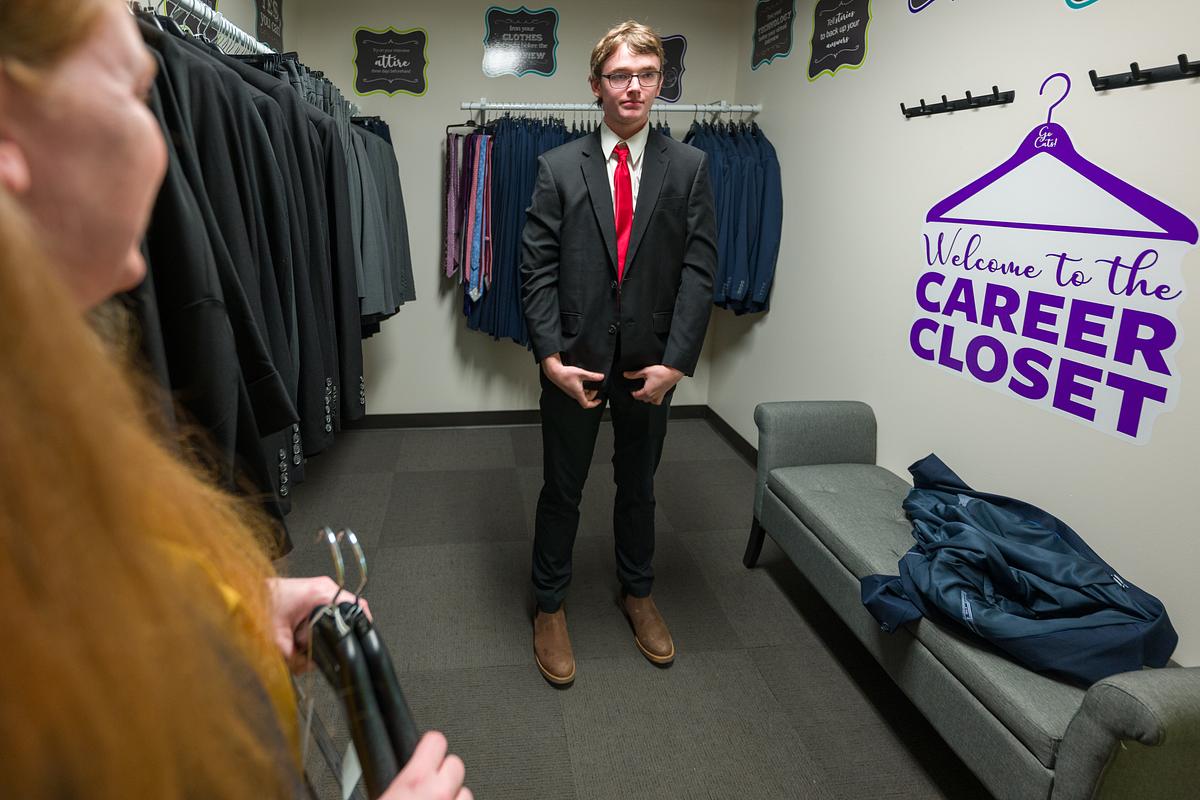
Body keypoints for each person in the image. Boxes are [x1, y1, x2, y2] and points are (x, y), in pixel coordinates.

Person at [0, 1, 469, 797]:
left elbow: (88, 582)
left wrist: (228, 607)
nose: (165, 139)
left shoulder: (46, 389)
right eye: (134, 92)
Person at [520, 20, 718, 686]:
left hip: (651, 366)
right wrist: (549, 357)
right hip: (574, 362)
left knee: (639, 487)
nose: (633, 87)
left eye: (646, 75)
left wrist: (677, 362)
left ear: (660, 83)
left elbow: (699, 272)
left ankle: (638, 592)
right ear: (596, 84)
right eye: (619, 75)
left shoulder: (689, 167)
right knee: (562, 489)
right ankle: (549, 604)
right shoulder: (556, 167)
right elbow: (535, 269)